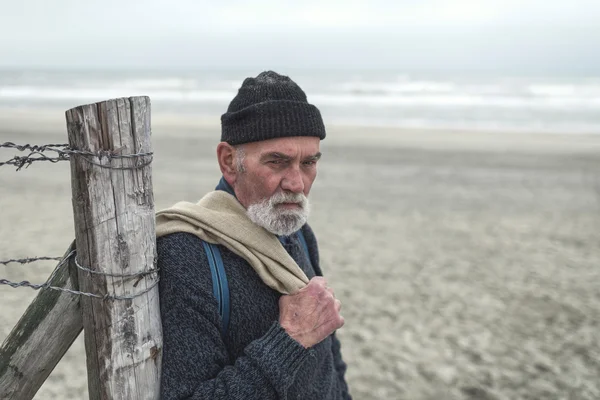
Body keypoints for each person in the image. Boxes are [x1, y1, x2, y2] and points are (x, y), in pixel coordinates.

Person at [156, 71, 352, 399]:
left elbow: (328, 354)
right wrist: (288, 342)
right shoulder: (189, 253)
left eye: (309, 163)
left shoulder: (298, 230)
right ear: (229, 161)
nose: (296, 183)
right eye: (277, 162)